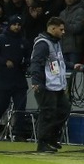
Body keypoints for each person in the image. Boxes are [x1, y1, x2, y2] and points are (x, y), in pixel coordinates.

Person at [28, 16, 70, 153]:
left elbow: (58, 62)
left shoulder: (55, 43)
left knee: (64, 110)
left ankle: (51, 138)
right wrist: (36, 81)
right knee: (47, 113)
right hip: (46, 85)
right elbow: (36, 62)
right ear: (53, 28)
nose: (63, 32)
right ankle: (42, 143)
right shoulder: (43, 43)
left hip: (56, 85)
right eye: (61, 29)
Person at [0, 14, 30, 138]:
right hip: (3, 79)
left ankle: (19, 134)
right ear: (10, 25)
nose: (17, 27)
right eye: (14, 24)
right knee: (0, 106)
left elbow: (28, 56)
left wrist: (25, 62)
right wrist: (4, 61)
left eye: (19, 25)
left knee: (20, 108)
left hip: (19, 79)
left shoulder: (23, 41)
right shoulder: (0, 39)